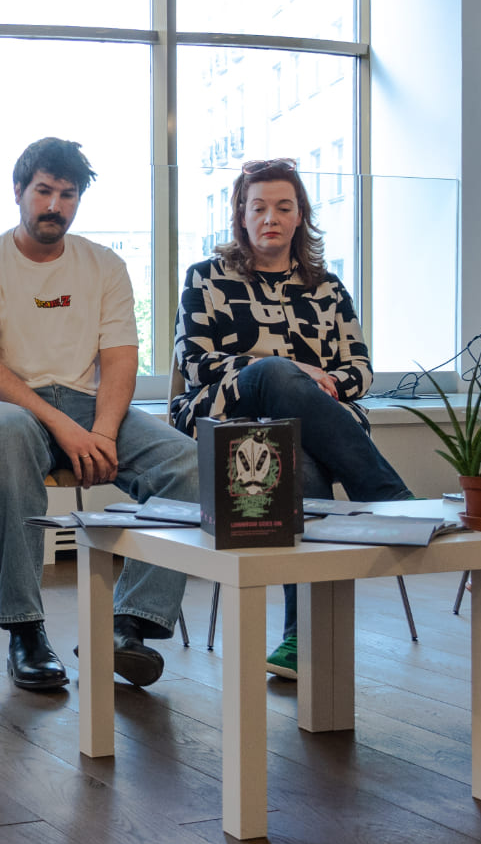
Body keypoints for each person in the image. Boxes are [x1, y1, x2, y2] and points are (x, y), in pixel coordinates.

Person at [0, 137, 200, 692]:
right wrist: (66, 429)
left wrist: (103, 432)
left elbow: (120, 361)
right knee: (7, 435)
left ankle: (126, 625)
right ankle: (25, 632)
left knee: (188, 463)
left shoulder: (104, 265)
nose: (54, 205)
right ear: (19, 190)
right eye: (44, 191)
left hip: (88, 407)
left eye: (67, 195)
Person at [170, 158, 414, 679]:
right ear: (240, 215)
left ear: (300, 215)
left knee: (298, 456)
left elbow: (360, 371)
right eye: (258, 208)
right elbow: (194, 364)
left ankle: (300, 640)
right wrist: (288, 369)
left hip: (309, 428)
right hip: (227, 414)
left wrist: (320, 385)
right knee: (276, 374)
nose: (270, 218)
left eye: (283, 207)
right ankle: (388, 497)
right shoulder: (206, 278)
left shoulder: (327, 287)